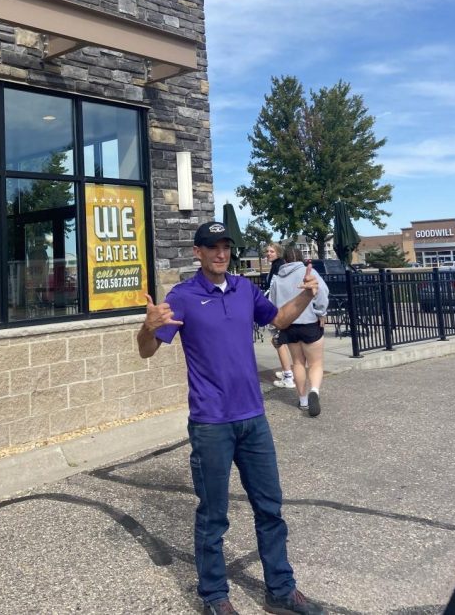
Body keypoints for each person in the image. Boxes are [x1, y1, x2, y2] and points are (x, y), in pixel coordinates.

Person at [139, 221, 326, 615]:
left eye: (226, 246)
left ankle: (280, 589)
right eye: (212, 247)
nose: (221, 253)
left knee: (270, 507)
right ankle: (214, 597)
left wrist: (306, 297)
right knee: (213, 513)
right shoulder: (183, 297)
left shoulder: (245, 289)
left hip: (254, 418)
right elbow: (147, 351)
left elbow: (278, 320)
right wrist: (147, 327)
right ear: (198, 252)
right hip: (211, 423)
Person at [268, 246, 329, 417]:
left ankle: (302, 400)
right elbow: (322, 292)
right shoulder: (309, 272)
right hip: (309, 323)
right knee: (315, 363)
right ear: (302, 258)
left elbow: (272, 304)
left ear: (285, 260)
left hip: (289, 326)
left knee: (298, 363)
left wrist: (275, 329)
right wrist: (321, 312)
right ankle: (314, 391)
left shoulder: (277, 278)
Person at [264, 243, 295, 389]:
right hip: (282, 307)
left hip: (277, 309)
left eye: (271, 251)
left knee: (278, 341)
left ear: (278, 253)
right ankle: (286, 371)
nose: (268, 253)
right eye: (267, 251)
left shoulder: (278, 267)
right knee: (281, 341)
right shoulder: (278, 265)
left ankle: (288, 376)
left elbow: (274, 289)